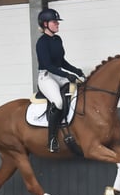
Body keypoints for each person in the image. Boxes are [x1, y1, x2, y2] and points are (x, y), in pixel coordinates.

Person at [36, 8, 85, 153]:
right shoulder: (42, 42)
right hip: (46, 77)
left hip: (58, 73)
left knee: (79, 90)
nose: (57, 24)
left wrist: (76, 71)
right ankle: (52, 139)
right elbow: (47, 65)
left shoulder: (57, 39)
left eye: (57, 21)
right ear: (45, 24)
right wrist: (66, 75)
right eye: (54, 21)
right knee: (57, 102)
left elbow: (61, 61)